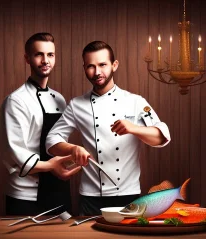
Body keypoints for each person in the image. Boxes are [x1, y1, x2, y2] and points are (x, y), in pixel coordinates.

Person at [46, 41, 171, 216]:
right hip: (91, 197)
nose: (97, 72)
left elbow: (162, 136)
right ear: (84, 68)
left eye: (102, 65)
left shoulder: (135, 101)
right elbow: (52, 141)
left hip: (129, 195)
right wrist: (73, 148)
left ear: (114, 65)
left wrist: (134, 129)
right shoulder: (76, 105)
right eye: (90, 66)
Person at [0, 32, 80, 216]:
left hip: (58, 188)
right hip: (26, 195)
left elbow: (57, 142)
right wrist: (52, 166)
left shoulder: (59, 99)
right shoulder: (16, 100)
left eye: (50, 55)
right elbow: (15, 152)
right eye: (38, 54)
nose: (45, 60)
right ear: (27, 58)